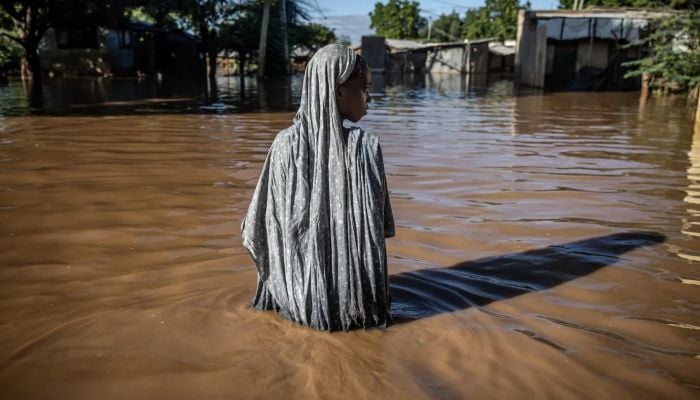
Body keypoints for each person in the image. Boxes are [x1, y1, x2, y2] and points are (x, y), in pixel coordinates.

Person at [241, 44, 395, 331]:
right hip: (360, 309)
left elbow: (260, 228)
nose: (370, 97)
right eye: (364, 88)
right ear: (338, 92)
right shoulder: (365, 147)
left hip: (296, 304)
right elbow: (380, 229)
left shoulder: (284, 145)